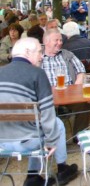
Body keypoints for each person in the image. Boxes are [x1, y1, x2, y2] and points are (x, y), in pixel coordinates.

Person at [0, 38, 78, 186]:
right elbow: (48, 112)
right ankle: (62, 169)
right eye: (39, 52)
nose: (42, 56)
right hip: (27, 142)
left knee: (36, 127)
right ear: (27, 52)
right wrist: (51, 141)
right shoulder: (37, 73)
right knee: (57, 124)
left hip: (2, 143)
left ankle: (33, 177)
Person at [41, 29, 89, 139]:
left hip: (69, 94)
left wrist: (76, 87)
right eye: (56, 40)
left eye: (60, 40)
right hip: (47, 96)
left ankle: (79, 136)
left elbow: (81, 71)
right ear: (46, 41)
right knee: (43, 110)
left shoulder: (67, 54)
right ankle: (51, 139)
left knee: (86, 105)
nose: (60, 43)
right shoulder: (38, 57)